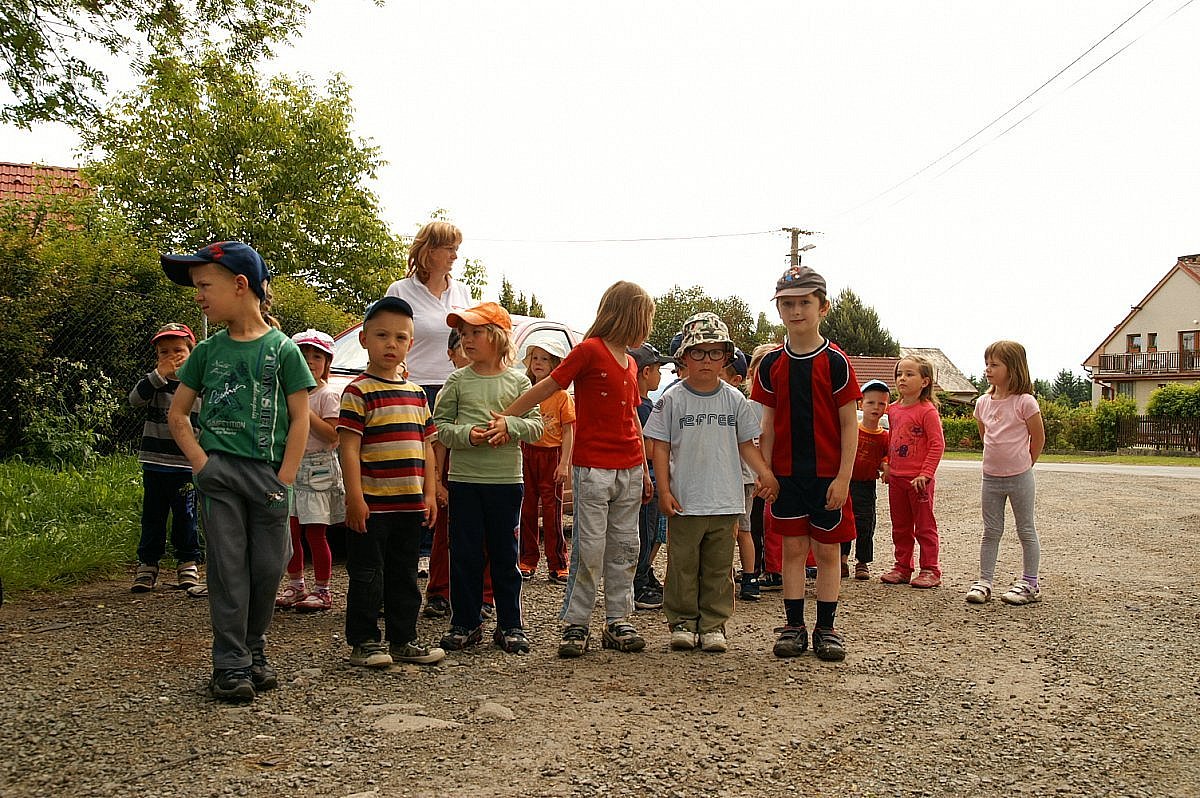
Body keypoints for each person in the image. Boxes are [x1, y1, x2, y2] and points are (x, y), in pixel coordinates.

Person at [161, 241, 315, 702]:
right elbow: (178, 414)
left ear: (240, 285)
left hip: (270, 478)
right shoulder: (207, 352)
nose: (198, 296)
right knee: (228, 569)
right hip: (220, 477)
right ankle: (230, 662)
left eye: (205, 285)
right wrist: (202, 463)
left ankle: (253, 648)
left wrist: (285, 477)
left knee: (269, 566)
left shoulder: (284, 350)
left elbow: (301, 419)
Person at [497, 281, 656, 658]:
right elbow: (548, 387)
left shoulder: (631, 362)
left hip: (629, 468)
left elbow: (632, 416)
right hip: (594, 466)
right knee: (590, 546)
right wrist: (507, 415)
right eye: (646, 318)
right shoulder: (589, 351)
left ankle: (618, 619)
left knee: (625, 546)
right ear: (632, 315)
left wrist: (644, 470)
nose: (648, 326)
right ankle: (577, 622)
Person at [645, 313, 778, 653]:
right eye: (698, 352)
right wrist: (664, 490)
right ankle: (683, 622)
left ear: (725, 358)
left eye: (715, 352)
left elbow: (746, 444)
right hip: (685, 501)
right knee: (682, 566)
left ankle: (713, 624)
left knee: (719, 568)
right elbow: (660, 446)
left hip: (725, 501)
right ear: (684, 357)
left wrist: (764, 473)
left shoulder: (734, 399)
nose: (706, 360)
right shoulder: (672, 399)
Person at [750, 265, 860, 663]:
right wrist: (765, 472)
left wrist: (844, 478)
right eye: (788, 304)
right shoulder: (770, 364)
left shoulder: (836, 362)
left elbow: (849, 424)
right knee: (793, 550)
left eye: (804, 303)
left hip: (827, 476)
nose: (796, 311)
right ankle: (793, 625)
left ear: (822, 307)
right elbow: (767, 424)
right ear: (779, 309)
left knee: (828, 554)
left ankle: (826, 627)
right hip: (786, 477)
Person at [338, 296, 445, 668]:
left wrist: (429, 493)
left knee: (404, 575)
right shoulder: (358, 392)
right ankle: (365, 642)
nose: (391, 344)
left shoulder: (417, 395)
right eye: (382, 335)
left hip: (409, 505)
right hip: (372, 505)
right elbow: (348, 447)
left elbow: (427, 447)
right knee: (367, 575)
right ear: (364, 339)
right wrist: (354, 497)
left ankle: (403, 639)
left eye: (400, 337)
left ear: (410, 344)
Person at [434, 302, 543, 655]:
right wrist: (467, 434)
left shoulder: (518, 381)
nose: (467, 340)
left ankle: (510, 624)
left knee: (504, 554)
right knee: (464, 554)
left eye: (475, 332)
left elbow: (537, 427)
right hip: (464, 480)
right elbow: (440, 428)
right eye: (463, 333)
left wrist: (508, 425)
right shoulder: (456, 380)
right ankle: (465, 623)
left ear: (497, 337)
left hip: (505, 482)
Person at [385, 221, 472, 566]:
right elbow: (387, 335)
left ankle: (443, 549)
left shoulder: (461, 292)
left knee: (450, 471)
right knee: (418, 467)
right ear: (429, 250)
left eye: (456, 249)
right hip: (415, 389)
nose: (454, 256)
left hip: (455, 388)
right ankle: (418, 548)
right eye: (449, 249)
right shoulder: (400, 291)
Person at [966, 340, 1046, 606]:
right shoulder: (982, 403)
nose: (988, 369)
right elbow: (985, 436)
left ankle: (1030, 583)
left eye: (994, 364)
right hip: (990, 477)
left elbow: (1038, 438)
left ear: (1012, 368)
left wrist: (1025, 463)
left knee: (1025, 529)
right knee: (991, 531)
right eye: (986, 364)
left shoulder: (1025, 402)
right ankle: (984, 581)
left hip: (1020, 477)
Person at [424, 329, 496, 619]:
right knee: (445, 533)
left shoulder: (498, 383)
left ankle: (485, 595)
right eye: (462, 346)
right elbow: (439, 439)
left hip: (488, 468)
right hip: (453, 468)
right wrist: (437, 481)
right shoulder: (449, 389)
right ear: (451, 355)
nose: (469, 351)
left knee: (488, 534)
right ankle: (439, 591)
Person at [128, 323, 203, 593]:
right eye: (164, 352)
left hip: (186, 464)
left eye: (178, 350)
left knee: (186, 516)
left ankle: (188, 562)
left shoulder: (199, 384)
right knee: (153, 517)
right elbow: (134, 400)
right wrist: (158, 375)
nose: (172, 356)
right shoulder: (154, 383)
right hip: (156, 463)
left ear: (192, 352)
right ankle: (147, 565)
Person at [276, 329, 344, 612]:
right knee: (290, 532)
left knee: (316, 532)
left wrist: (305, 410)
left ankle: (323, 589)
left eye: (317, 356)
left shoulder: (327, 395)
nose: (309, 361)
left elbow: (333, 435)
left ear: (327, 363)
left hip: (319, 470)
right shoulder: (286, 394)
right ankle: (296, 584)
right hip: (292, 466)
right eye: (303, 356)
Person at [881, 355, 946, 588]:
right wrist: (887, 464)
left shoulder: (927, 411)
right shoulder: (892, 410)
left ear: (925, 381)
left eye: (909, 374)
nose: (902, 379)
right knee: (900, 527)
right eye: (899, 374)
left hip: (919, 481)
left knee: (925, 526)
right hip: (896, 479)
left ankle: (930, 569)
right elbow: (890, 440)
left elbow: (937, 444)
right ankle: (902, 567)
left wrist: (925, 474)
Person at [517, 334, 575, 583]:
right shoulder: (525, 391)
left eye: (545, 359)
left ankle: (558, 563)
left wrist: (564, 463)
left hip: (552, 455)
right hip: (527, 453)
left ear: (555, 364)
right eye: (535, 358)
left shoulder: (562, 396)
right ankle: (527, 560)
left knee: (552, 513)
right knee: (527, 509)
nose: (538, 363)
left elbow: (568, 431)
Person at [630, 341, 672, 611]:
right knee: (645, 533)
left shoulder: (642, 404)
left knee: (650, 531)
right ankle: (639, 583)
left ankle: (644, 574)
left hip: (650, 478)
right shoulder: (643, 408)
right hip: (648, 479)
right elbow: (647, 448)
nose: (660, 375)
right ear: (646, 372)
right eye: (658, 369)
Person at [720, 347, 761, 599]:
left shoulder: (738, 406)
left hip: (741, 480)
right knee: (728, 531)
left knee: (741, 530)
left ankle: (749, 576)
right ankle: (728, 576)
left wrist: (758, 474)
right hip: (728, 478)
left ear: (735, 380)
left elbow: (749, 444)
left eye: (720, 376)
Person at [844, 379, 891, 581]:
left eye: (881, 403)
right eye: (871, 402)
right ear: (861, 404)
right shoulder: (852, 429)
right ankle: (842, 559)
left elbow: (886, 456)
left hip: (866, 484)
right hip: (846, 482)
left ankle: (862, 562)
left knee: (865, 523)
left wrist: (886, 466)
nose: (876, 407)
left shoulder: (885, 436)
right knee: (843, 521)